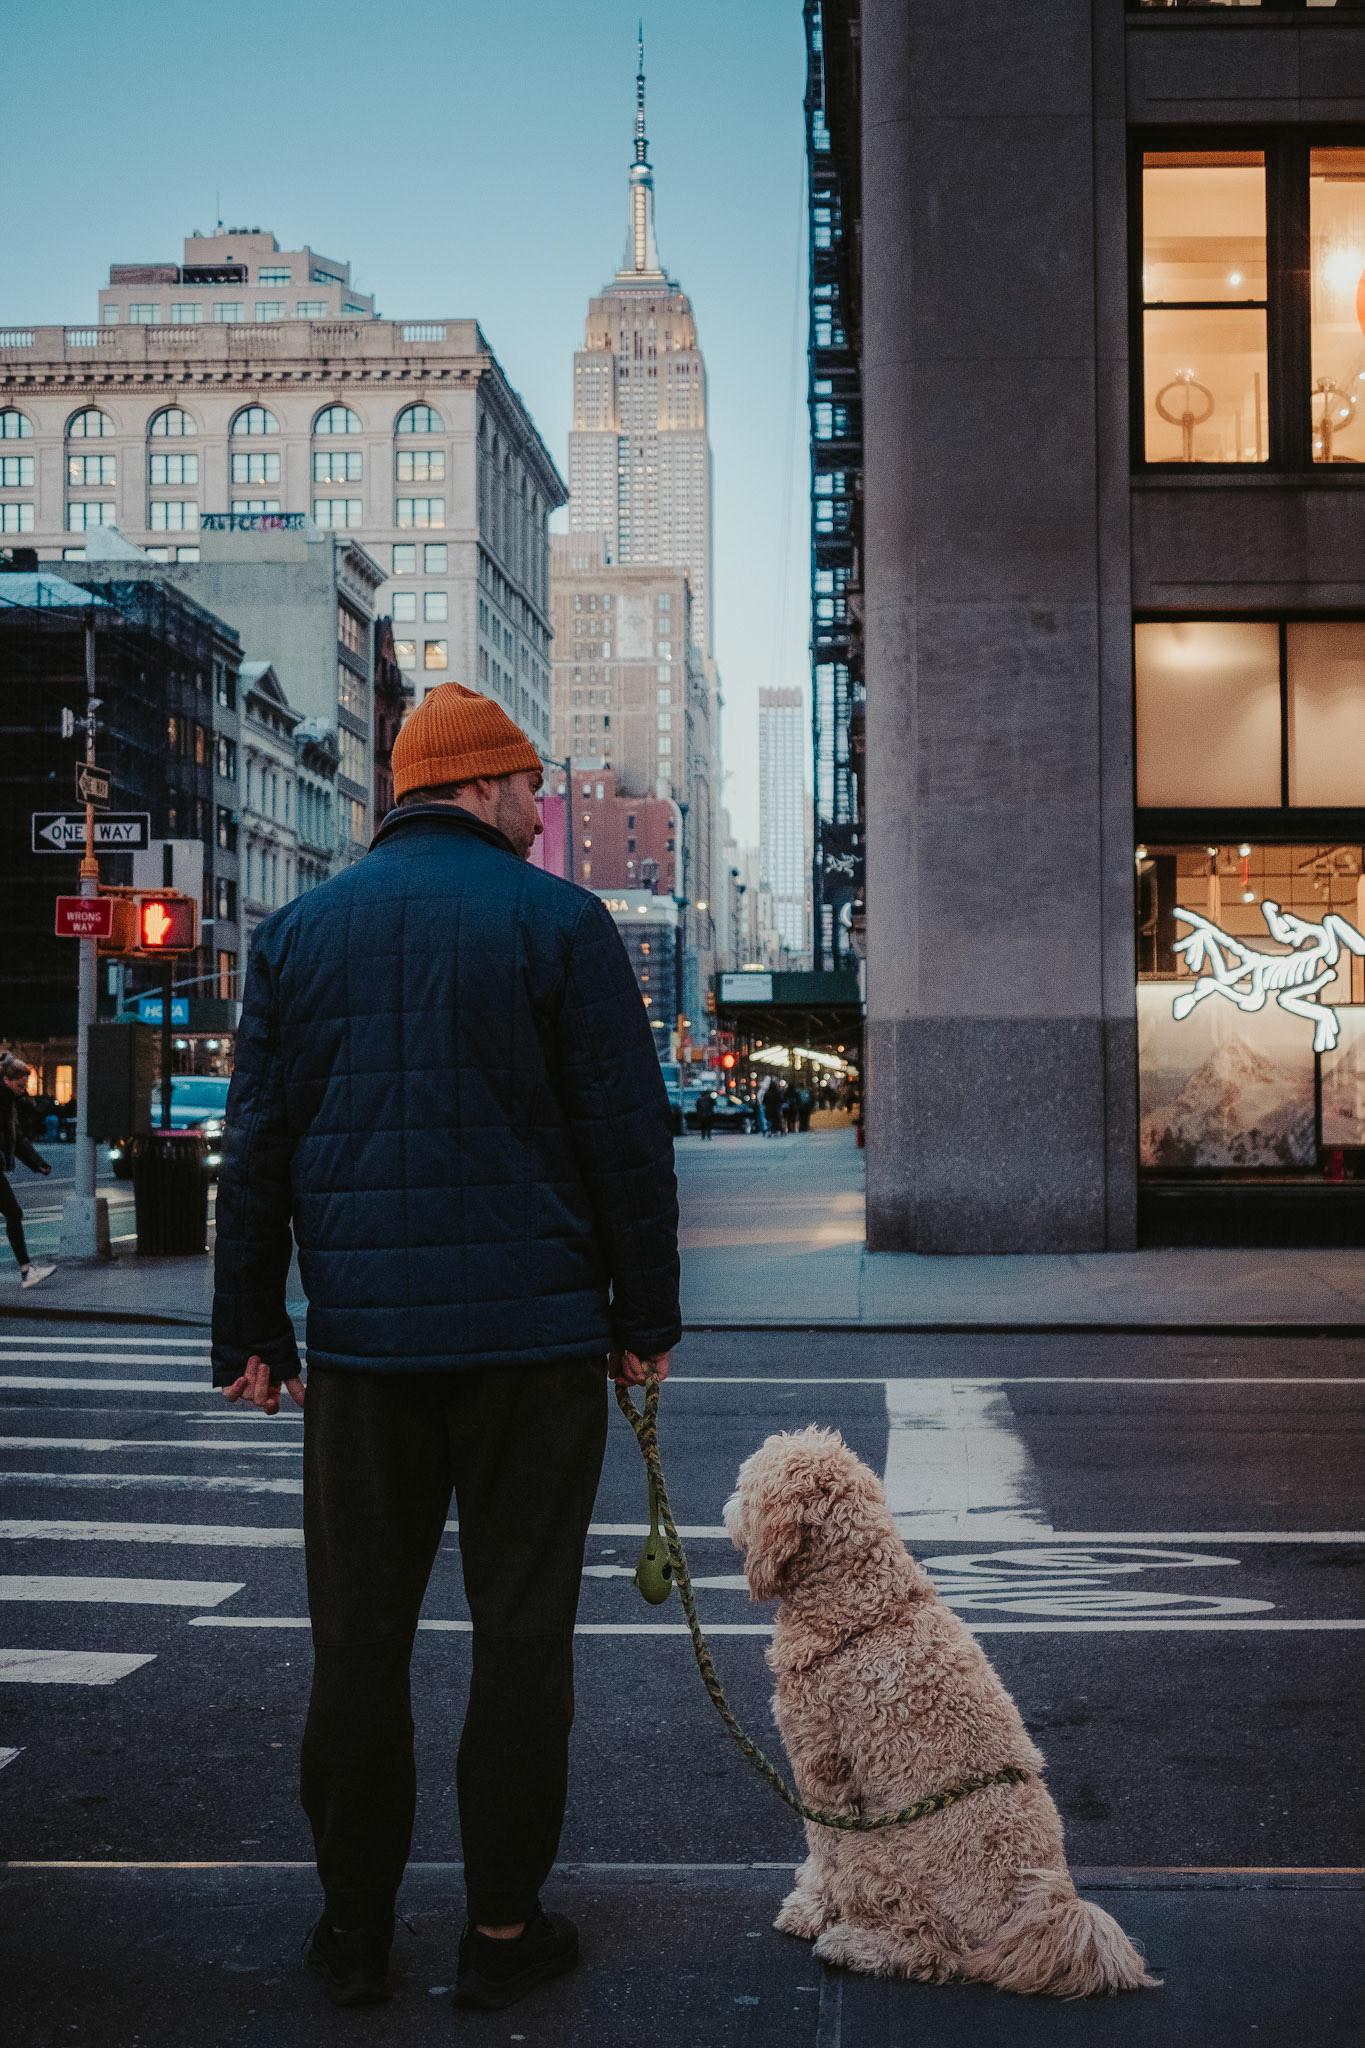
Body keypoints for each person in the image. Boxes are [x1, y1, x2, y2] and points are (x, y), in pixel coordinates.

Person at [211, 682, 680, 2016]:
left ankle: (356, 1933)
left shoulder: (298, 935)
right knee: (520, 1641)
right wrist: (642, 1321)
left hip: (360, 1362)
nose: (542, 814)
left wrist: (252, 1329)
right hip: (534, 1354)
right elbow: (625, 1145)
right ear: (478, 785)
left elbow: (258, 1158)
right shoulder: (561, 924)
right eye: (529, 786)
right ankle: (501, 1929)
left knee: (358, 1645)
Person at [0, 1055, 54, 1289]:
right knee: (13, 1213)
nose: (23, 1091)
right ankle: (26, 1270)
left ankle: (26, 1270)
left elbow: (16, 1138)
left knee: (13, 1213)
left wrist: (37, 1163)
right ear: (6, 1080)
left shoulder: (8, 1101)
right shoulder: (2, 1100)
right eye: (20, 1085)